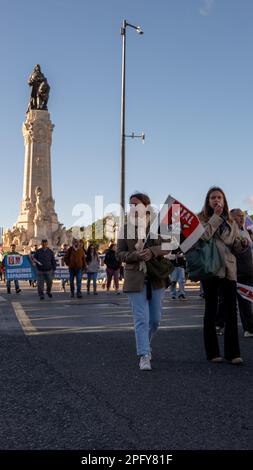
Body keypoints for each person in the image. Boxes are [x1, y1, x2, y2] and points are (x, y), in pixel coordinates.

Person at [117, 192, 168, 371]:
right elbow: (119, 254)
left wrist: (153, 251)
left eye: (136, 204)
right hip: (134, 276)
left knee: (155, 320)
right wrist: (135, 255)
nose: (133, 208)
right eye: (130, 205)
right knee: (141, 319)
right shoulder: (124, 228)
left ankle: (145, 344)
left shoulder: (158, 225)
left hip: (155, 277)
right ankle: (144, 354)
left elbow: (169, 245)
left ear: (146, 206)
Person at [199, 187, 249, 365]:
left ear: (224, 200)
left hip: (229, 269)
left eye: (219, 197)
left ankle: (233, 353)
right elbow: (203, 237)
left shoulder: (231, 221)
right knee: (211, 309)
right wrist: (215, 217)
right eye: (212, 197)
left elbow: (233, 245)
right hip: (210, 268)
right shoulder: (201, 218)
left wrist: (241, 244)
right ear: (208, 201)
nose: (216, 200)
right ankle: (213, 352)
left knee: (231, 310)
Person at [230, 208, 253, 338]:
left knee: (247, 301)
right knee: (245, 303)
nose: (242, 218)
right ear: (232, 218)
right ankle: (249, 329)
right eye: (238, 216)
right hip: (239, 272)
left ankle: (219, 323)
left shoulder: (245, 232)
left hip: (249, 270)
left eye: (242, 216)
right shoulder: (231, 232)